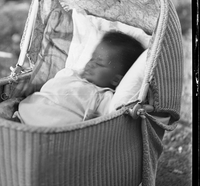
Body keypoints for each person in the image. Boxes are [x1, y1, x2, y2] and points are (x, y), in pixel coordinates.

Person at [10, 30, 145, 126]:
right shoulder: (69, 74)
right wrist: (32, 86)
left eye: (99, 63)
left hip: (49, 131)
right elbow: (49, 87)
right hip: (23, 113)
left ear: (116, 80)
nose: (91, 64)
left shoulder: (103, 97)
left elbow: (111, 119)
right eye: (92, 58)